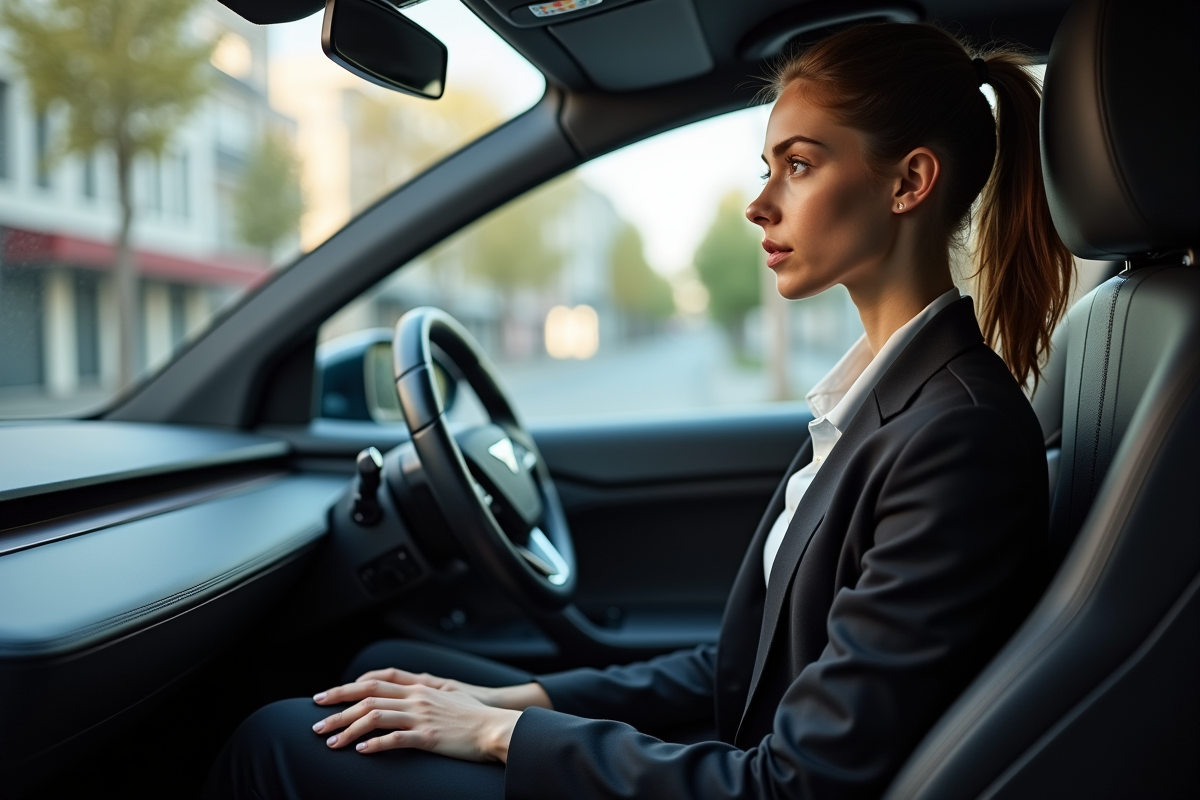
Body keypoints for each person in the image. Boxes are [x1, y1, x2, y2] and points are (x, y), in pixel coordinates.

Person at [205, 21, 1073, 800]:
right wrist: (515, 701)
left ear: (909, 181)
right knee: (380, 677)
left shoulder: (953, 434)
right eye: (766, 167)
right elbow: (743, 670)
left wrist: (499, 734)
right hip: (734, 758)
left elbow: (797, 783)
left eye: (800, 164)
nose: (759, 202)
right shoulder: (879, 401)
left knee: (277, 741)